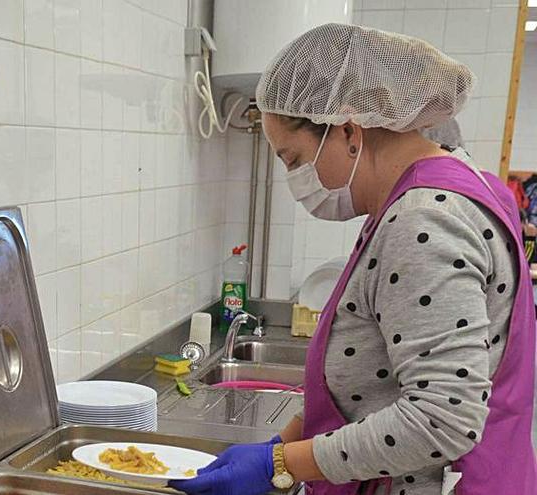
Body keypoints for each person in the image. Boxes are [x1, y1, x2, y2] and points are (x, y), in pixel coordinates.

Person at [171, 24, 537, 495]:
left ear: (347, 130)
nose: (299, 179)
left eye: (293, 158)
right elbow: (375, 383)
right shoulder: (462, 186)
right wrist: (281, 446)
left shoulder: (423, 221)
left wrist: (281, 461)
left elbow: (441, 417)